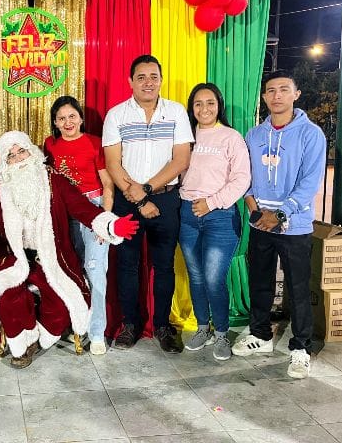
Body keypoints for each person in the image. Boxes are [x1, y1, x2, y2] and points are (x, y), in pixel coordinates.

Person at [0, 131, 138, 368]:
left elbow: (82, 208)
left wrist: (110, 225)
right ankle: (22, 345)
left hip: (52, 258)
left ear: (32, 152)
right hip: (13, 259)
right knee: (8, 298)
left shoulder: (55, 182)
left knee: (62, 305)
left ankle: (41, 337)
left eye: (22, 151)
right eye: (11, 156)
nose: (19, 158)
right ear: (4, 163)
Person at [232, 71, 326, 379]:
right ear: (264, 97)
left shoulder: (311, 134)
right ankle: (261, 335)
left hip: (294, 225)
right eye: (271, 90)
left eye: (284, 89)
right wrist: (253, 207)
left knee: (298, 288)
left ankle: (301, 347)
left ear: (296, 94)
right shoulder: (254, 135)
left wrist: (281, 214)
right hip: (260, 223)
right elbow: (244, 175)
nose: (277, 95)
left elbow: (310, 181)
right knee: (260, 282)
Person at [102, 54, 193, 352]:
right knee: (127, 265)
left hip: (165, 199)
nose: (148, 82)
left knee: (164, 266)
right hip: (127, 200)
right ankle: (130, 324)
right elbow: (113, 163)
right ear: (130, 81)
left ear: (161, 80)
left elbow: (181, 159)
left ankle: (162, 325)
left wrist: (147, 189)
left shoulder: (176, 112)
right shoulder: (116, 115)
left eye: (154, 76)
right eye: (141, 77)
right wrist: (139, 198)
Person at [177, 83, 251, 361]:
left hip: (220, 216)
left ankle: (221, 333)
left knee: (213, 278)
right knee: (196, 276)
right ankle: (202, 328)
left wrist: (212, 202)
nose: (204, 109)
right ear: (191, 108)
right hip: (187, 214)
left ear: (219, 105)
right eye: (198, 103)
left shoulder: (231, 137)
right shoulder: (185, 136)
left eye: (210, 103)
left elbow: (242, 179)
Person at [43, 96, 114, 355]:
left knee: (95, 272)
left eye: (72, 116)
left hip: (93, 210)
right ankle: (74, 325)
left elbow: (108, 184)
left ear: (81, 118)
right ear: (55, 123)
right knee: (69, 271)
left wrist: (105, 220)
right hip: (63, 213)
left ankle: (97, 333)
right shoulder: (49, 145)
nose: (67, 122)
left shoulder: (94, 143)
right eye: (61, 118)